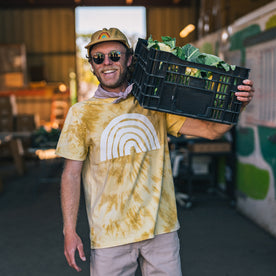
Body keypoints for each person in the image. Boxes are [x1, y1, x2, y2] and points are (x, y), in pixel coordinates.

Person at [56, 27, 254, 276]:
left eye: (115, 56)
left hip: (161, 230)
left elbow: (212, 131)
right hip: (110, 234)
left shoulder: (153, 103)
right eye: (99, 58)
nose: (107, 62)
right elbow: (71, 175)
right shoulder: (80, 114)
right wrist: (69, 230)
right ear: (93, 65)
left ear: (129, 60)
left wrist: (239, 105)